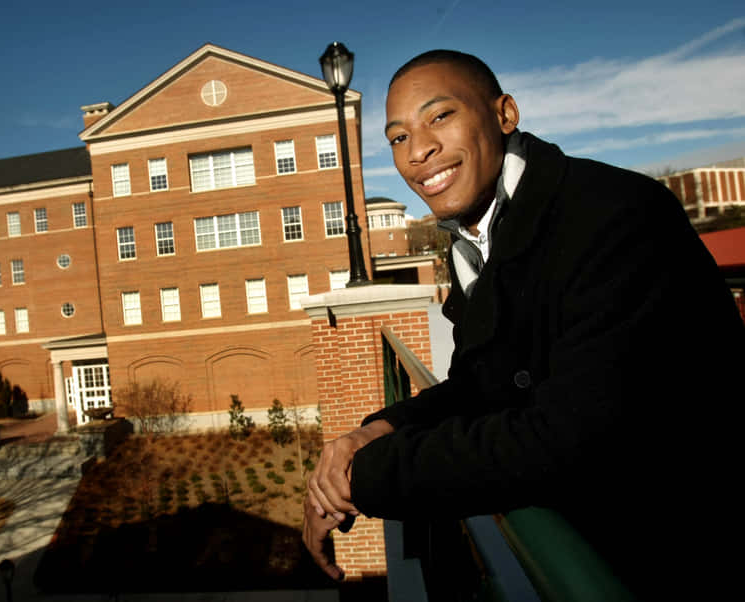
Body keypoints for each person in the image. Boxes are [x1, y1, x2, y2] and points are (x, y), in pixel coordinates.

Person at [303, 50, 744, 599]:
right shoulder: (475, 239)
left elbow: (569, 439)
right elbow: (478, 384)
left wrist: (363, 478)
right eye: (398, 137)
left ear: (505, 113)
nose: (418, 151)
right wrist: (373, 433)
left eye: (440, 116)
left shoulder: (613, 213)